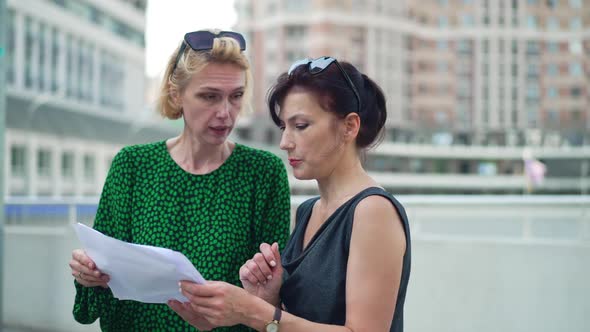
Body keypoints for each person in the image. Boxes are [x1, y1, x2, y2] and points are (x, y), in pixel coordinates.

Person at [68, 30, 291, 332]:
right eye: (210, 96)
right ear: (177, 95)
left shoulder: (263, 173)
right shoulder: (133, 165)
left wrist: (267, 295)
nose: (225, 113)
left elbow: (272, 298)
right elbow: (95, 294)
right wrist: (88, 274)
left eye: (236, 96)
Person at [170, 56, 411, 331]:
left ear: (350, 126)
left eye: (300, 126)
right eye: (284, 127)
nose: (285, 143)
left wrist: (253, 311)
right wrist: (269, 298)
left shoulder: (372, 211)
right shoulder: (308, 211)